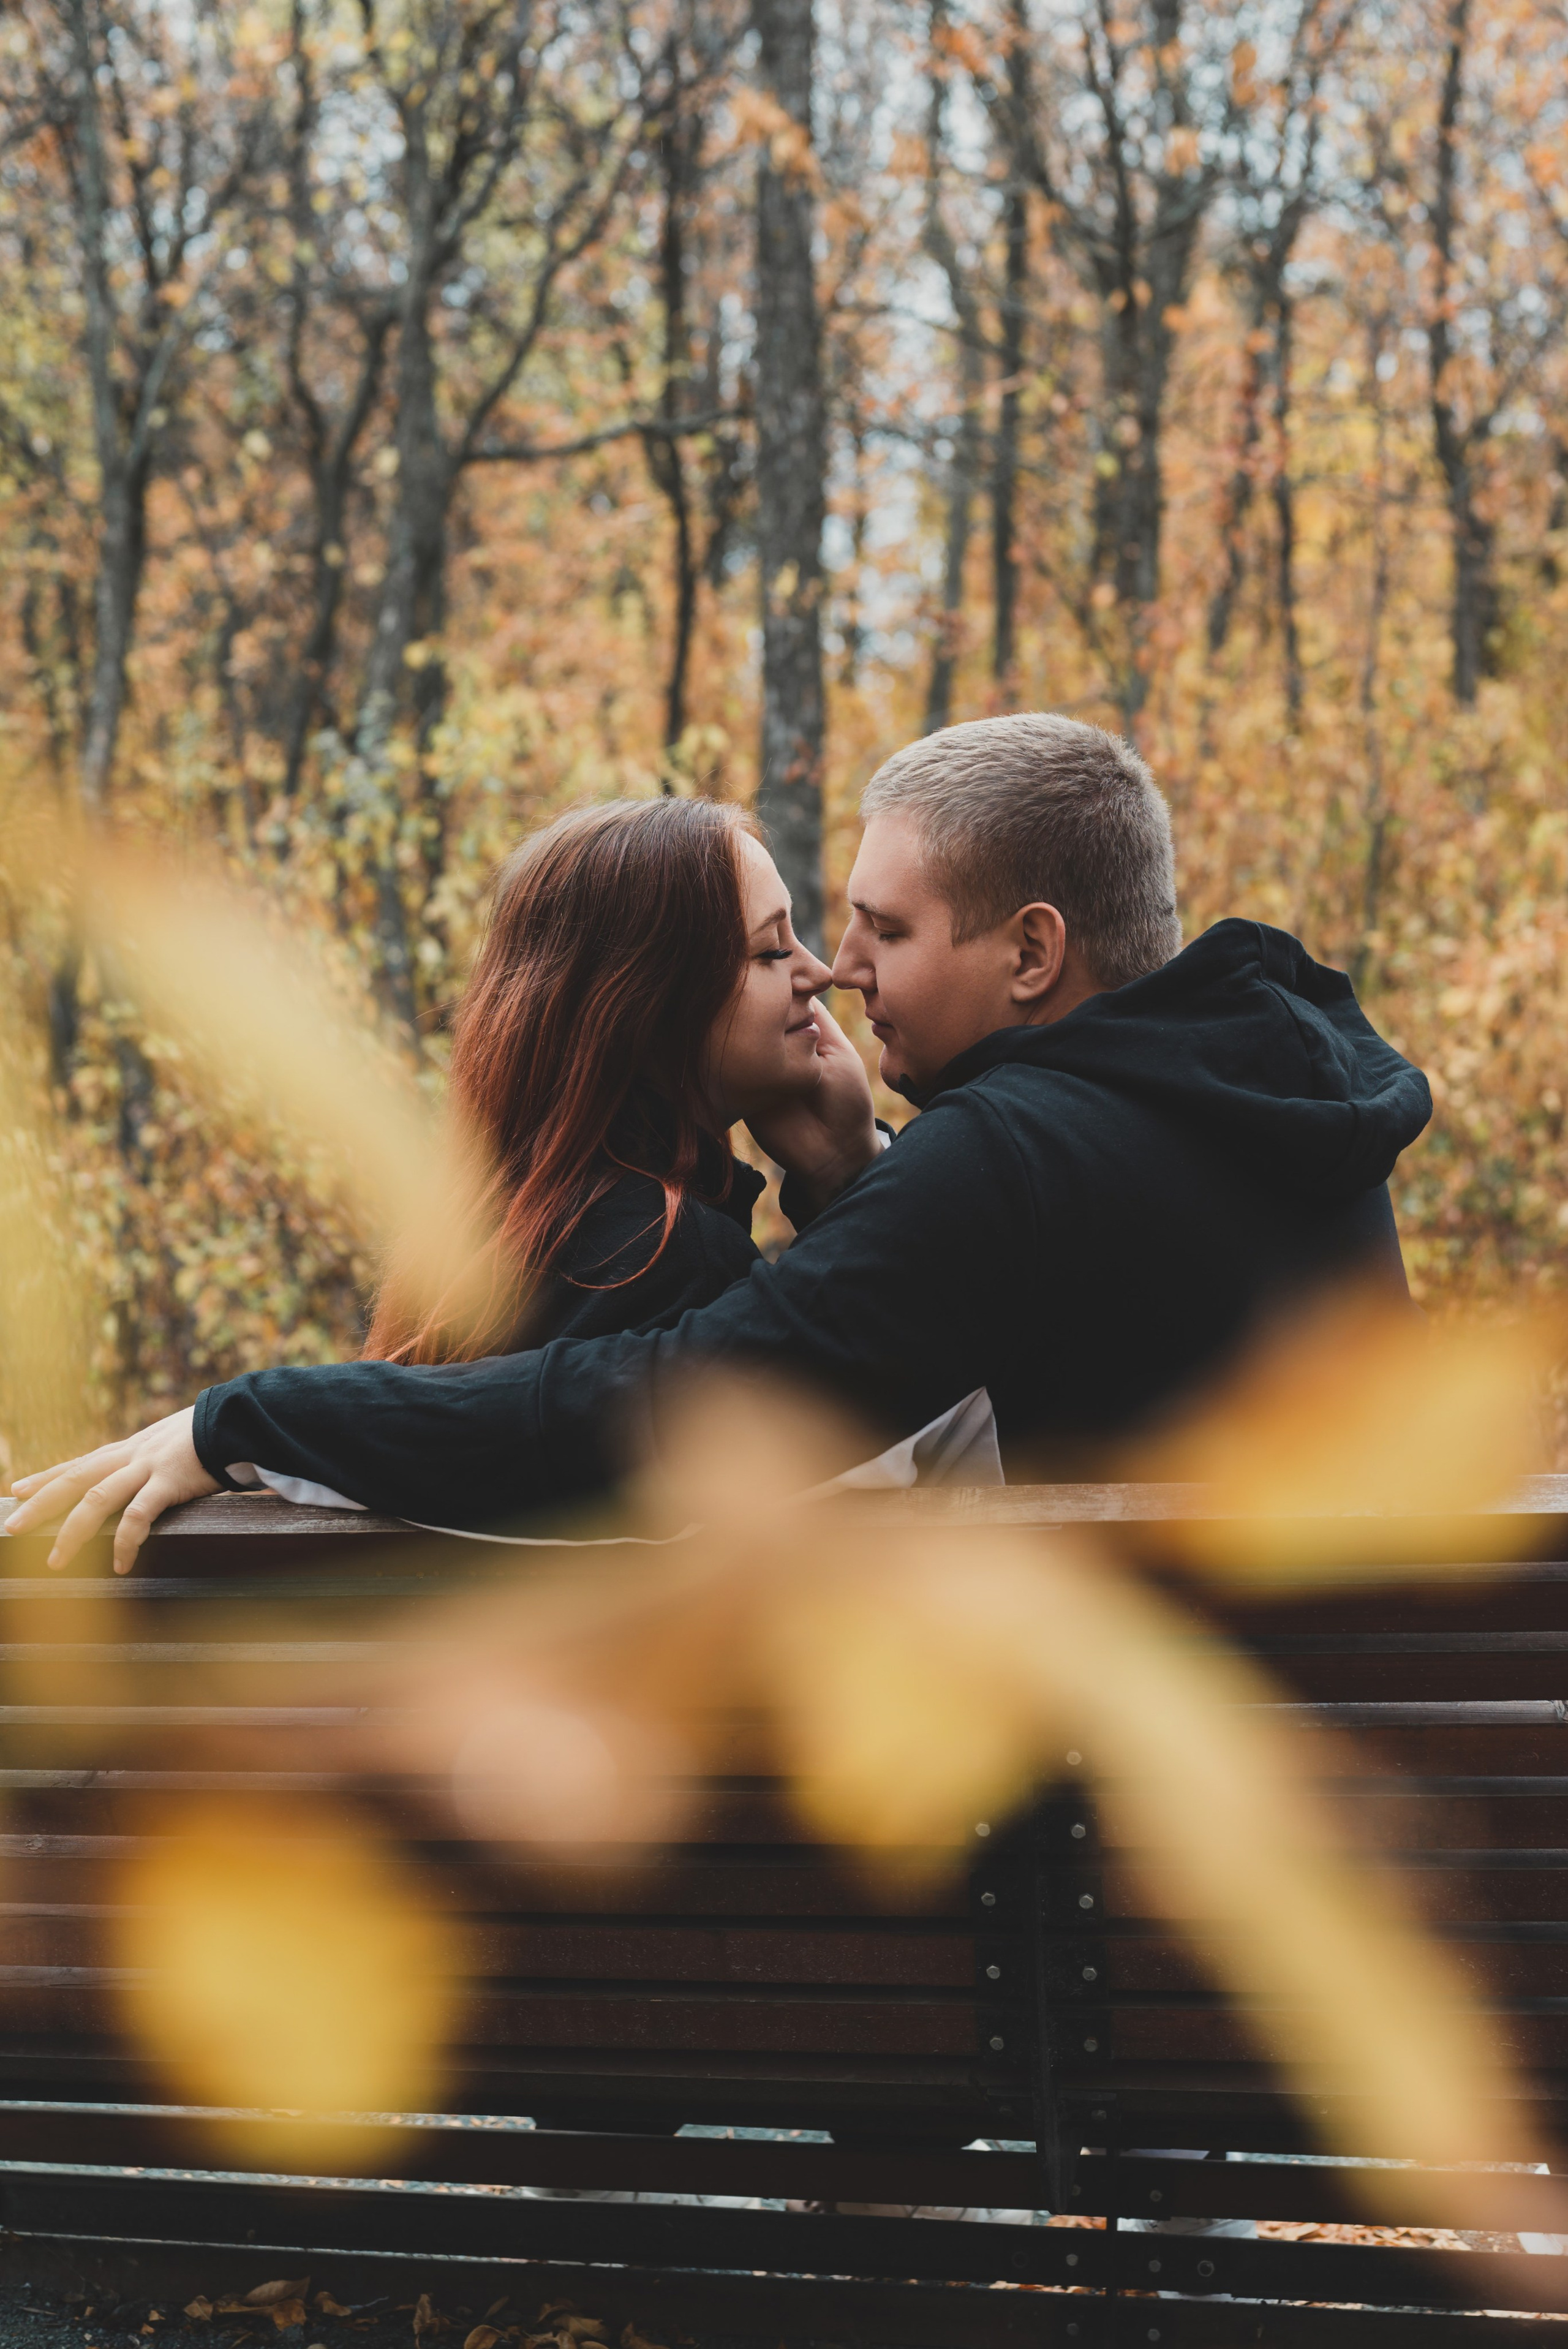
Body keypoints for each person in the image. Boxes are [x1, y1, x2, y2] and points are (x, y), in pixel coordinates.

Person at [8, 712, 1433, 1570]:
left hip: (1098, 1891)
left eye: (882, 927)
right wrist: (842, 1176)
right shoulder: (1279, 1099)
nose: (842, 968)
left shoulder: (1009, 1154)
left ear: (1029, 951)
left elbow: (658, 1409)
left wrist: (242, 1415)